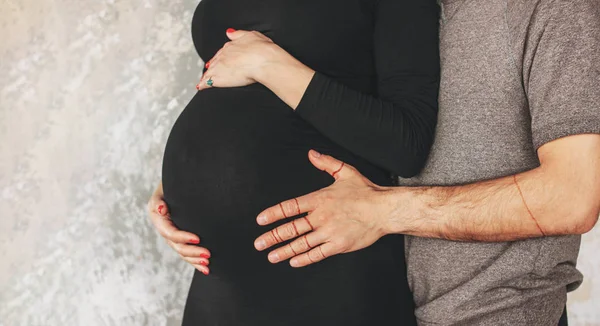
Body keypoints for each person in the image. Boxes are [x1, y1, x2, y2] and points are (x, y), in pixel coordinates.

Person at [149, 0, 600, 325]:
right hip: (272, 281)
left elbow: (573, 197)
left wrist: (380, 210)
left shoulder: (558, 11)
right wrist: (188, 182)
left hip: (488, 310)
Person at [155, 0, 441, 325]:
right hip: (220, 282)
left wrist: (270, 65)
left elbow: (406, 144)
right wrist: (172, 186)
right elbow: (225, 79)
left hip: (320, 262)